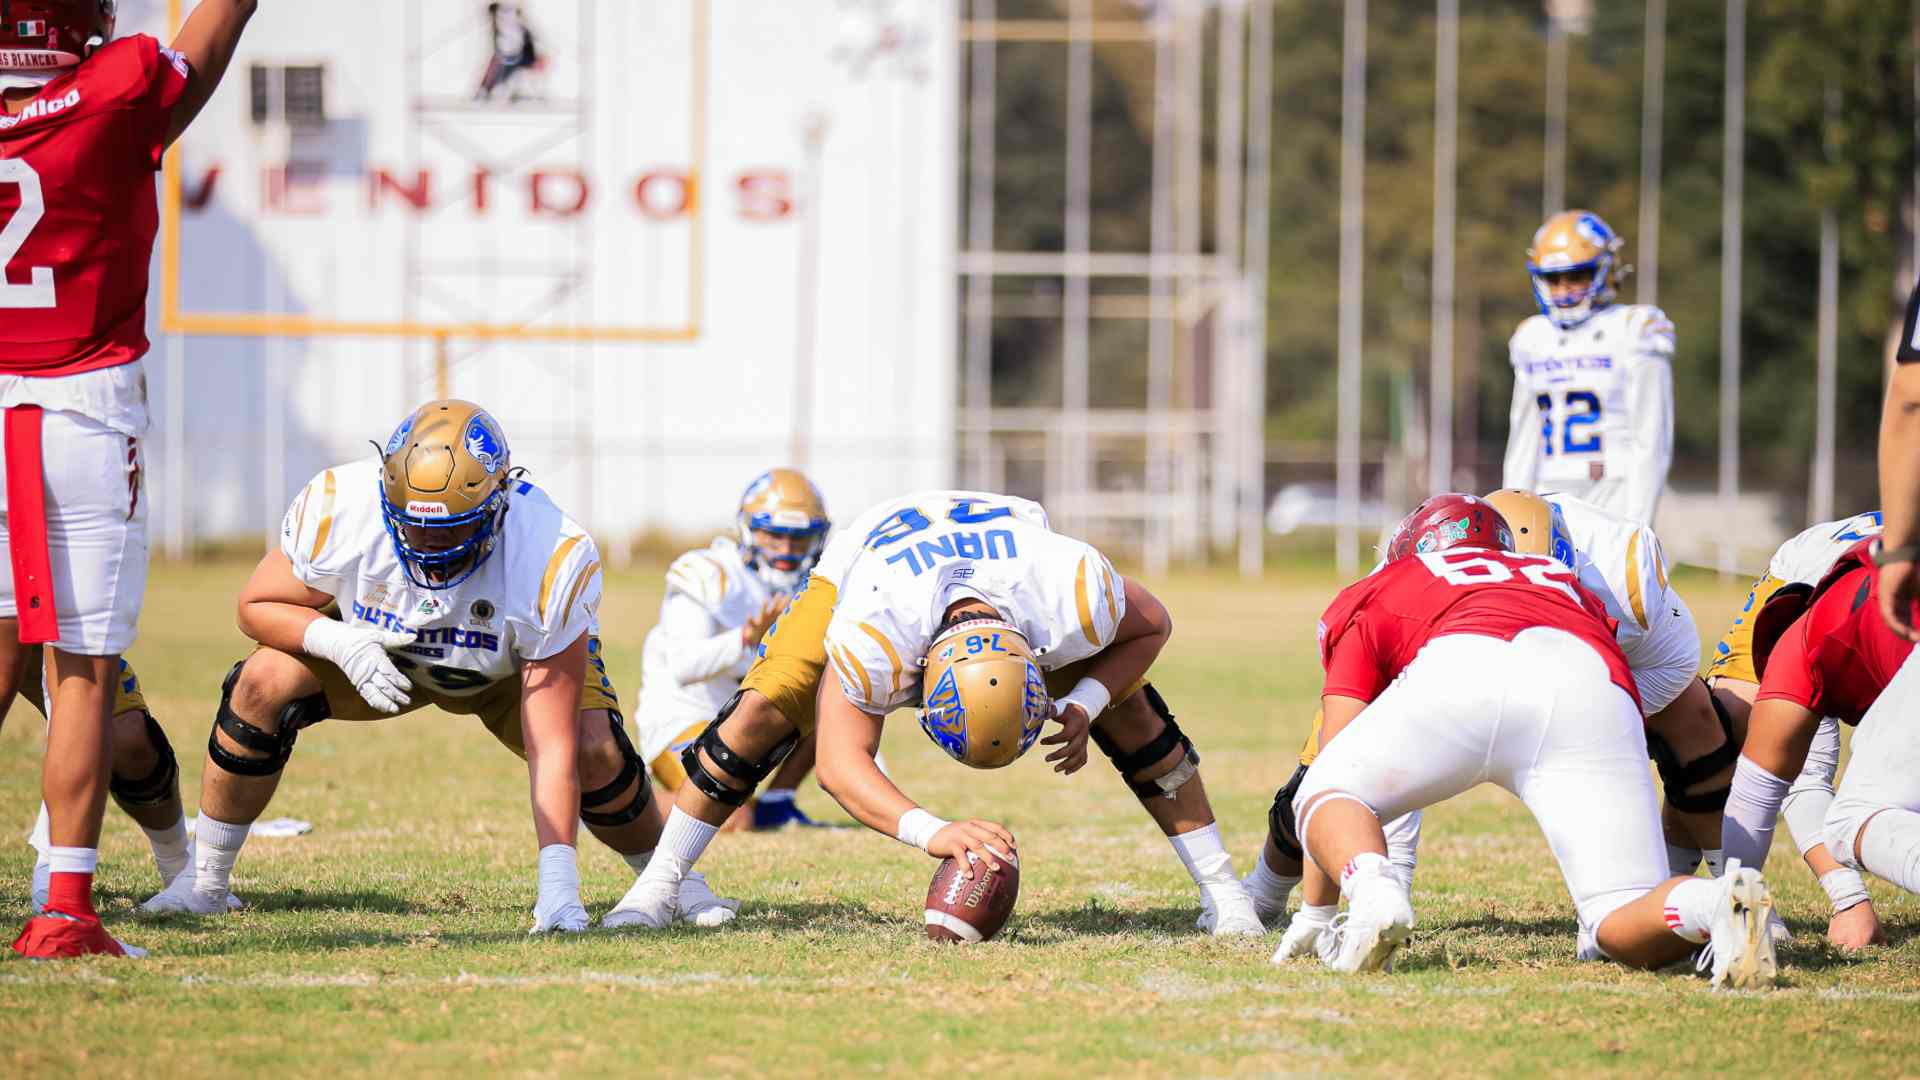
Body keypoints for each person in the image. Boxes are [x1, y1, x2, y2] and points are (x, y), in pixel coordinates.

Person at [141, 400, 735, 930]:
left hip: (503, 671)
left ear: (499, 500)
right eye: (414, 526)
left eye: (448, 529)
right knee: (260, 683)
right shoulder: (341, 509)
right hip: (381, 655)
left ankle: (674, 884)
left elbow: (550, 745)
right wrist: (335, 640)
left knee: (590, 747)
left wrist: (558, 884)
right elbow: (255, 604)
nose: (428, 545)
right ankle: (206, 882)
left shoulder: (549, 550)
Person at [603, 489, 1264, 936]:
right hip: (873, 553)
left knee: (1133, 710)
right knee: (763, 710)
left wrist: (1088, 701)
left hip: (1009, 558)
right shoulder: (875, 626)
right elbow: (838, 762)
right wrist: (933, 832)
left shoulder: (1068, 593)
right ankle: (657, 886)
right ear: (914, 680)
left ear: (1038, 655)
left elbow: (1152, 625)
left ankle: (1224, 893)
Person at [1, 0, 258, 960]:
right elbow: (215, 25)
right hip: (78, 402)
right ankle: (63, 909)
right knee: (81, 673)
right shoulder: (111, 88)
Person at [1287, 493, 1776, 988]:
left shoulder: (1390, 582)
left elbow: (1334, 763)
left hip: (1463, 668)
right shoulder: (1565, 580)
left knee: (1325, 790)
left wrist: (1318, 912)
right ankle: (1713, 903)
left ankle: (1377, 895)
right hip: (1594, 683)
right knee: (1615, 915)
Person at [1718, 534, 1910, 950]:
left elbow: (1757, 794)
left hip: (1879, 601)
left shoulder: (1800, 648)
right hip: (1877, 571)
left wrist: (1849, 901)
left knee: (1852, 818)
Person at [636, 469, 830, 830]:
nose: (786, 551)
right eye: (773, 536)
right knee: (732, 818)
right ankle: (613, 805)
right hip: (686, 717)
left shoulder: (813, 583)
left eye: (799, 539)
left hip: (747, 717)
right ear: (748, 529)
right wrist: (745, 638)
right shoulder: (708, 572)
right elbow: (685, 665)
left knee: (833, 687)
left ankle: (777, 803)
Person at [1502, 211, 1674, 525]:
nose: (1564, 289)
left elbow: (1651, 437)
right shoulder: (1532, 337)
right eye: (1554, 279)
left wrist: (1638, 525)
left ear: (1605, 271)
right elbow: (1523, 441)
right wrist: (1511, 513)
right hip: (1546, 494)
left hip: (1613, 492)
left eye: (1576, 276)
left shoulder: (1633, 329)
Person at [476, 2, 538, 102]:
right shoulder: (502, 22)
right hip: (508, 56)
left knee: (502, 71)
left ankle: (490, 90)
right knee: (497, 69)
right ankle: (486, 90)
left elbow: (517, 42)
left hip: (515, 56)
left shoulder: (513, 24)